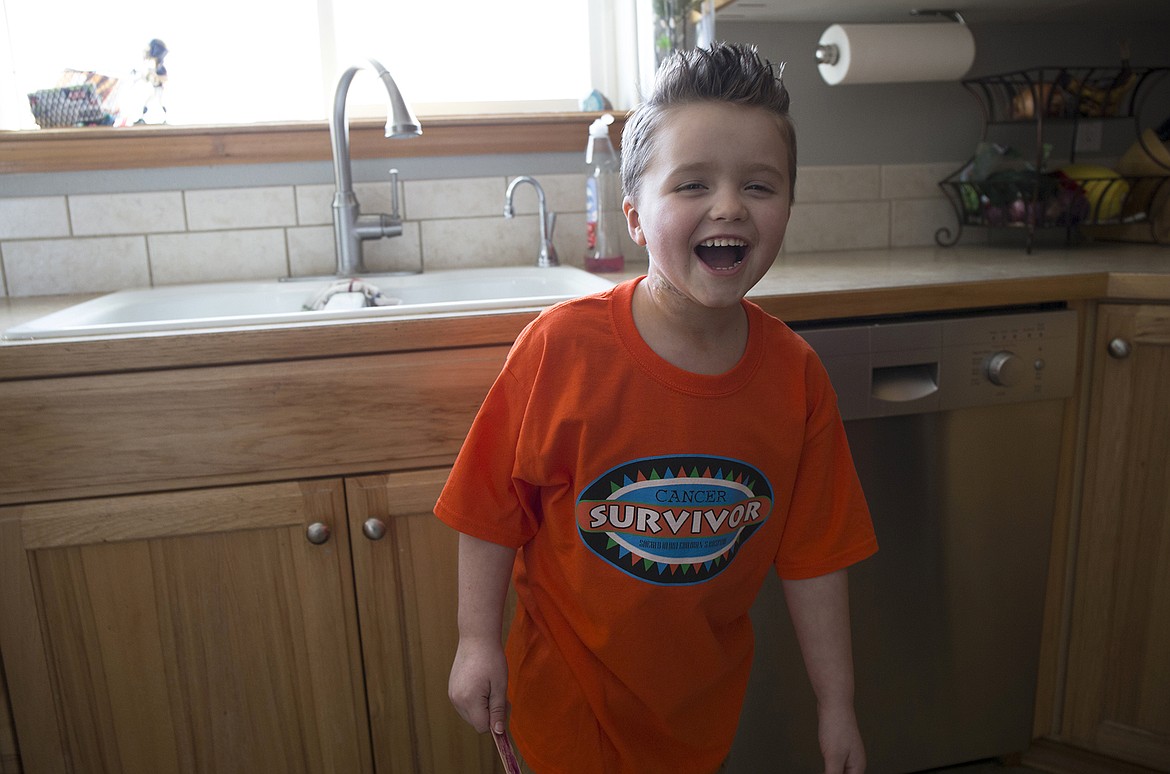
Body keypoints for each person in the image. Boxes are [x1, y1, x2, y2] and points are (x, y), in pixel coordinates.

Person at [436, 41, 878, 774]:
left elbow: (815, 561)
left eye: (760, 187)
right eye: (693, 184)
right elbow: (487, 512)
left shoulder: (795, 379)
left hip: (697, 716)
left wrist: (837, 706)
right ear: (635, 216)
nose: (729, 205)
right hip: (563, 705)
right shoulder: (559, 351)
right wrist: (476, 641)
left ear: (789, 208)